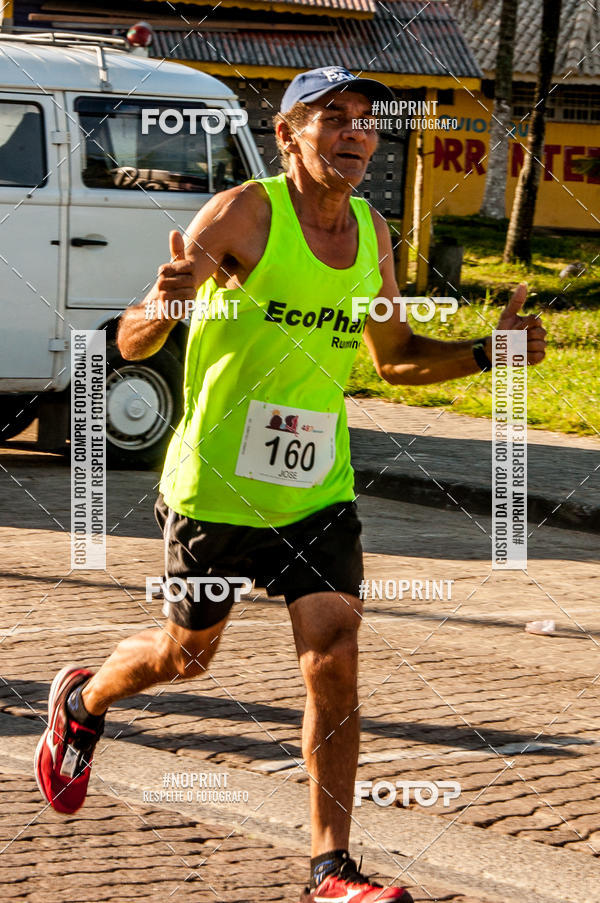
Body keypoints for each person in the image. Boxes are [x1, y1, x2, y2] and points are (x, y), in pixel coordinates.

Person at [35, 66, 546, 902]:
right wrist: (164, 307)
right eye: (332, 116)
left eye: (365, 120)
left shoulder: (374, 231)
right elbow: (128, 343)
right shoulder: (243, 213)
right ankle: (84, 700)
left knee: (334, 659)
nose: (355, 132)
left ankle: (329, 868)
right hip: (216, 486)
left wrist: (493, 352)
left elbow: (397, 359)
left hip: (316, 487)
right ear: (288, 134)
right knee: (185, 656)